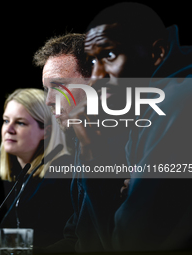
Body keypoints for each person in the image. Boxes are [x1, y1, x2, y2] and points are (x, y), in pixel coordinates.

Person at [67, 2, 192, 253]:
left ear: (157, 53)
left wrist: (94, 155)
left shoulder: (178, 100)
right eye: (92, 61)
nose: (96, 78)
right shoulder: (152, 107)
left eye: (110, 55)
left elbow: (128, 243)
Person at [34, 32, 130, 253]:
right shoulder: (83, 144)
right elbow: (78, 240)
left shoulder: (135, 142)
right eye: (47, 89)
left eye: (58, 86)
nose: (48, 100)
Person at [0, 88, 73, 253]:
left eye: (20, 123)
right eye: (5, 121)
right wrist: (3, 246)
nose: (8, 129)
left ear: (46, 131)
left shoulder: (64, 172)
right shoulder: (17, 178)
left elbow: (69, 241)